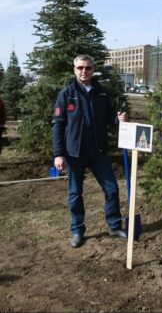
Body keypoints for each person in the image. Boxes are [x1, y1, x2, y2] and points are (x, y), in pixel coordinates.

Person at [52, 54, 128, 249]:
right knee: (75, 193)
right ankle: (77, 230)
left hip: (98, 152)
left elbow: (110, 117)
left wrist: (118, 119)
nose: (84, 71)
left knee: (111, 189)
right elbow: (58, 125)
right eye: (80, 68)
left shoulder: (101, 93)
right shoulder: (67, 94)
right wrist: (58, 154)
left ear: (93, 70)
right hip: (74, 153)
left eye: (87, 68)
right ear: (74, 69)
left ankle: (114, 226)